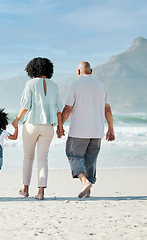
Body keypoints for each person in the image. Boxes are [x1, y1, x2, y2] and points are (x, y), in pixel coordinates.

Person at [58, 61, 115, 198]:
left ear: (78, 72)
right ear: (91, 71)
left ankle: (84, 182)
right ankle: (88, 191)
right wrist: (111, 129)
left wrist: (60, 126)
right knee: (90, 160)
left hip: (79, 130)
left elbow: (68, 108)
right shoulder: (101, 86)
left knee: (73, 155)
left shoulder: (75, 84)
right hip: (97, 131)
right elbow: (107, 109)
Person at [12, 57, 63, 200]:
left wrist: (17, 119)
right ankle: (41, 192)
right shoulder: (54, 86)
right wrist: (60, 127)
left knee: (28, 157)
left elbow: (26, 105)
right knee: (43, 159)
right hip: (48, 127)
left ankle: (26, 189)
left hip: (31, 125)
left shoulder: (30, 84)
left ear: (32, 69)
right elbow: (59, 109)